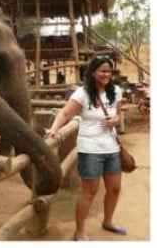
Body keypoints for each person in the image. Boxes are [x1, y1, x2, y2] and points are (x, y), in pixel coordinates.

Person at [45, 55, 126, 241]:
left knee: (114, 188)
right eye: (103, 71)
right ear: (92, 72)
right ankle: (79, 231)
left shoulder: (117, 91)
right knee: (89, 191)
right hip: (90, 149)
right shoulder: (82, 94)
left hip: (112, 148)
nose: (107, 74)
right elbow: (65, 113)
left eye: (109, 71)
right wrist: (54, 129)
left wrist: (115, 120)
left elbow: (118, 116)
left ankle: (108, 221)